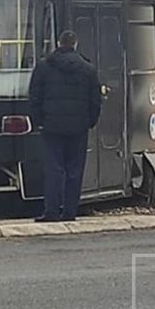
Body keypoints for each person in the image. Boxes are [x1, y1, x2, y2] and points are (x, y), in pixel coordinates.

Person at [28, 30, 102, 222]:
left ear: (58, 44)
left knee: (54, 168)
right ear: (75, 44)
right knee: (74, 170)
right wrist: (89, 122)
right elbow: (95, 101)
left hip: (51, 127)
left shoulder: (43, 67)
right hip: (78, 128)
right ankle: (70, 212)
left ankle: (51, 211)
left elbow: (34, 97)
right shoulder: (88, 69)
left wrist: (39, 121)